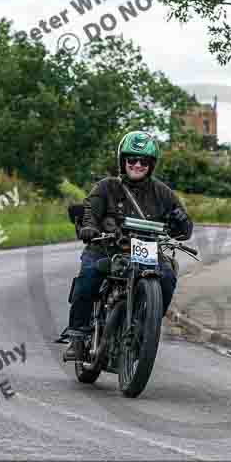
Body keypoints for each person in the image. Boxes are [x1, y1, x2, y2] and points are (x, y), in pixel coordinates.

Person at [59, 130, 193, 361]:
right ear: (123, 161)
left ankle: (146, 327)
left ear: (151, 165)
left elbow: (184, 228)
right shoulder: (106, 187)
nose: (137, 165)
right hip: (107, 247)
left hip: (147, 250)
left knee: (168, 275)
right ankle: (78, 337)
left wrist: (182, 222)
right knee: (89, 274)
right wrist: (89, 228)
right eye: (132, 159)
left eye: (143, 161)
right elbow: (90, 210)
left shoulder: (163, 193)